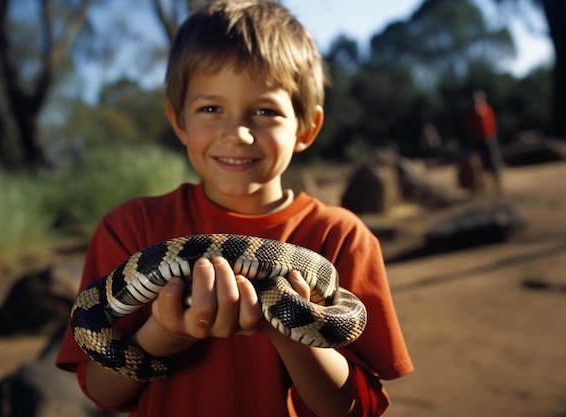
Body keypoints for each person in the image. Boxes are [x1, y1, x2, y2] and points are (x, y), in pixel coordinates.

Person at [55, 1, 414, 416]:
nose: (237, 134)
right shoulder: (130, 227)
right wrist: (163, 335)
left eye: (264, 111)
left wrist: (286, 326)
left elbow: (355, 409)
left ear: (307, 126)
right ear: (178, 121)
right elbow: (102, 391)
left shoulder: (343, 238)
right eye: (211, 109)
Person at [463, 89, 503, 192]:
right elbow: (469, 127)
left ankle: (497, 183)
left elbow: (491, 124)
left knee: (493, 160)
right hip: (477, 140)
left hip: (489, 138)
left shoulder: (487, 109)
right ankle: (480, 185)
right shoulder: (470, 113)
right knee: (478, 162)